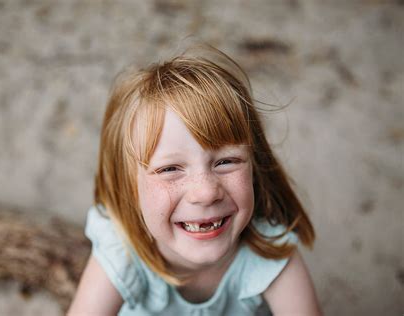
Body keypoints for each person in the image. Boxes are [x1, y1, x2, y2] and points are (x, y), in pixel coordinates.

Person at [68, 44, 322, 316]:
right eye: (170, 169)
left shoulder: (269, 254)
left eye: (226, 162)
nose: (206, 192)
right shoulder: (122, 250)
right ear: (128, 187)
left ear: (255, 168)